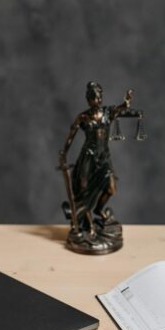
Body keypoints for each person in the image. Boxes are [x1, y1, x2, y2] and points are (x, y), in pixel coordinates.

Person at [58, 82, 142, 240]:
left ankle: (98, 210)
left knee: (111, 188)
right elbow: (70, 136)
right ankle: (87, 223)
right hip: (88, 159)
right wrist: (64, 153)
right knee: (85, 192)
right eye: (95, 97)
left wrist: (127, 102)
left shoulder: (107, 113)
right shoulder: (83, 117)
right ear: (89, 100)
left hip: (104, 158)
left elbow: (121, 108)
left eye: (100, 96)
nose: (98, 100)